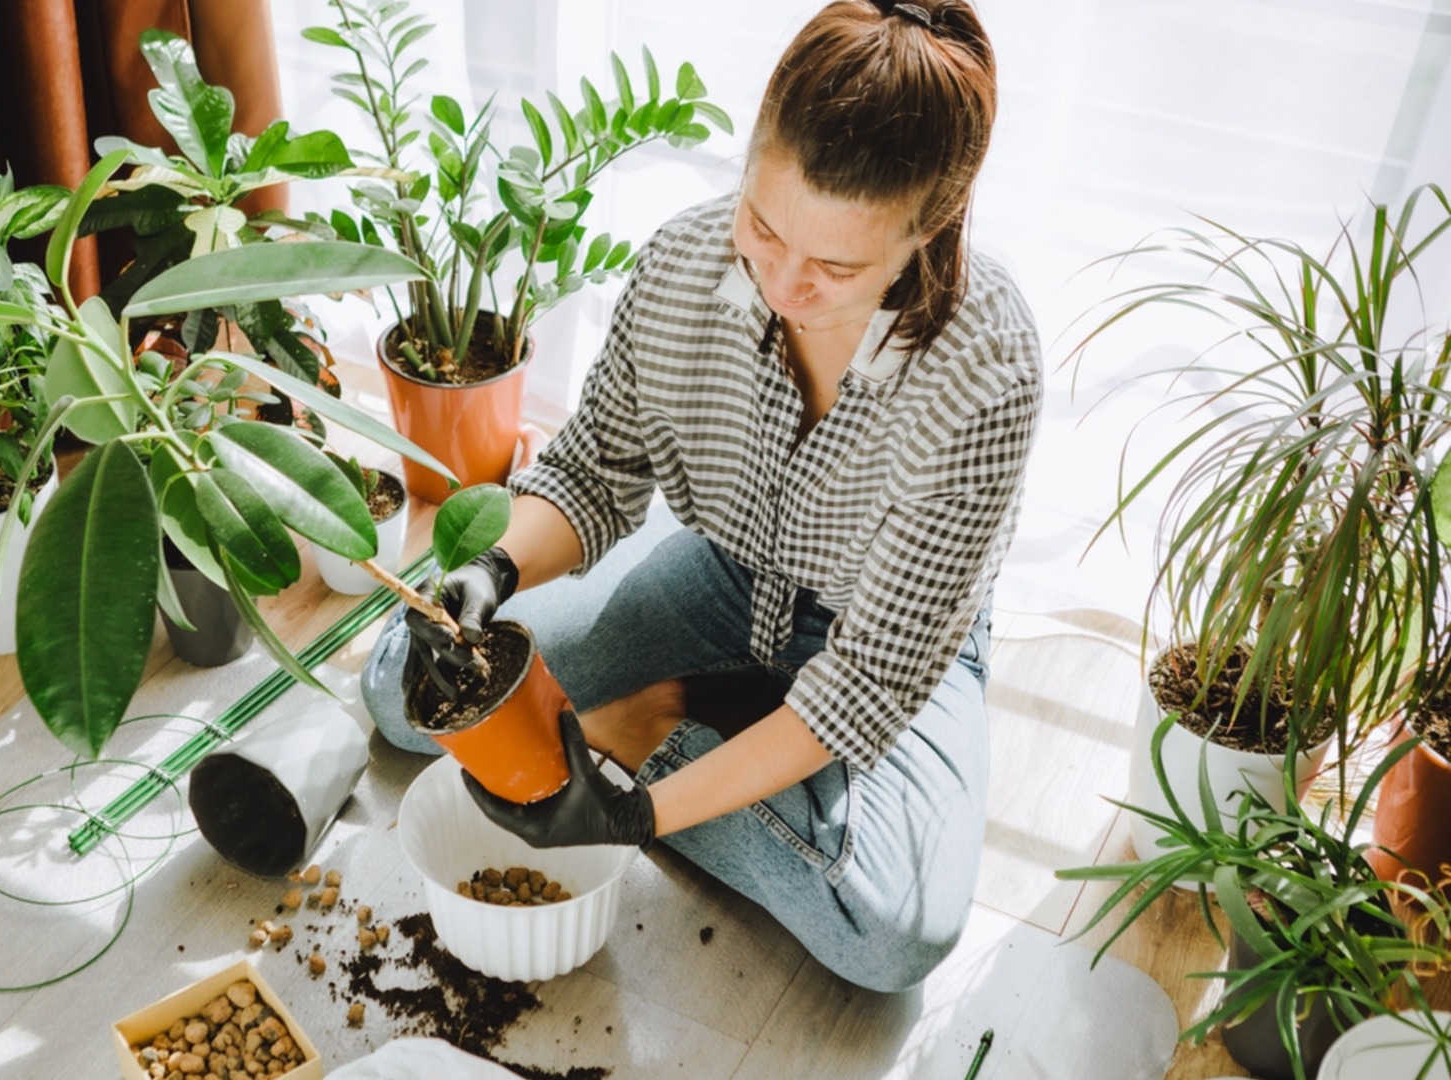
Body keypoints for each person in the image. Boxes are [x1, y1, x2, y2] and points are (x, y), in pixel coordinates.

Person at [361, 0, 1038, 994]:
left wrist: (638, 810)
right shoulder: (683, 262)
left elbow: (861, 689)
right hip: (721, 569)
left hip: (885, 638)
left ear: (927, 226)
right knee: (406, 691)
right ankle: (688, 714)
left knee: (893, 936)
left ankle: (648, 725)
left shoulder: (987, 371)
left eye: (837, 265)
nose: (784, 283)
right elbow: (593, 472)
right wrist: (495, 570)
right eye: (763, 225)